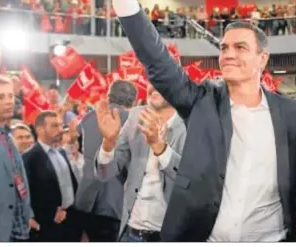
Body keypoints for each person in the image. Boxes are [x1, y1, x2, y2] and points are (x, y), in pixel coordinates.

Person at [91, 0, 296, 241]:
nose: (228, 54)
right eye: (223, 48)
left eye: (240, 48)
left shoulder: (293, 114)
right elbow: (155, 56)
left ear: (263, 59)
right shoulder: (202, 103)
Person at [94, 84, 187, 242]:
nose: (155, 85)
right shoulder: (136, 115)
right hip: (131, 233)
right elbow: (105, 173)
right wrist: (108, 144)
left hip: (170, 236)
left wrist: (160, 148)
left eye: (161, 78)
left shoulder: (192, 121)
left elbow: (191, 181)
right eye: (151, 78)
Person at [75, 80, 136, 242]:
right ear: (133, 100)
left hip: (85, 198)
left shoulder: (89, 117)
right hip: (115, 203)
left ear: (109, 96)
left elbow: (77, 141)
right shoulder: (134, 121)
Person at [23, 111, 82, 242]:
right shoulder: (29, 158)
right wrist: (48, 215)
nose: (60, 130)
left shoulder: (61, 152)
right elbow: (28, 194)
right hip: (48, 227)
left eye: (60, 125)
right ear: (40, 129)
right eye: (54, 126)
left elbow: (71, 185)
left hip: (72, 220)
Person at [0, 76, 37, 242]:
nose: (8, 102)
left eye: (11, 95)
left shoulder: (8, 137)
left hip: (16, 227)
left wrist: (27, 213)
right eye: (0, 97)